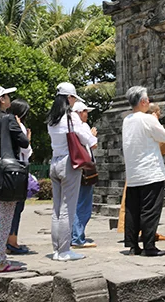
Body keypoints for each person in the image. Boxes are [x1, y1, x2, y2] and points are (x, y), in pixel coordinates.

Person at [47, 82, 97, 261]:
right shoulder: (71, 117)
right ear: (69, 98)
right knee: (69, 207)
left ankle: (56, 249)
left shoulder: (52, 118)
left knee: (57, 209)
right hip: (69, 163)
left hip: (55, 162)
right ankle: (65, 250)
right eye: (74, 98)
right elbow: (87, 139)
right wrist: (93, 137)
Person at [0, 85, 30, 273]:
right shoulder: (8, 118)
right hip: (5, 169)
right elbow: (24, 142)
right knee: (3, 215)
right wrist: (19, 126)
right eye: (7, 95)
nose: (9, 98)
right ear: (1, 100)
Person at [122, 87, 165, 257]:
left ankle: (133, 245)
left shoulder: (127, 120)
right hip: (150, 171)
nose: (149, 103)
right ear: (143, 102)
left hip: (134, 173)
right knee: (150, 210)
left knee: (133, 211)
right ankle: (149, 245)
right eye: (148, 100)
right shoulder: (147, 119)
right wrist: (156, 120)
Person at [6, 99, 32, 255]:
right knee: (17, 207)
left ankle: (7, 240)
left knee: (8, 207)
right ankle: (12, 241)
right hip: (18, 168)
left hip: (6, 169)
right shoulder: (18, 125)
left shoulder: (4, 124)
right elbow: (26, 149)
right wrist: (28, 138)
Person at [71, 100, 98, 249]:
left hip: (74, 168)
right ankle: (78, 237)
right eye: (85, 111)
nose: (87, 114)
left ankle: (74, 235)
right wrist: (92, 135)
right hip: (84, 168)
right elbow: (93, 143)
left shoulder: (69, 127)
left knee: (75, 203)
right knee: (83, 203)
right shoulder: (82, 127)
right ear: (80, 113)